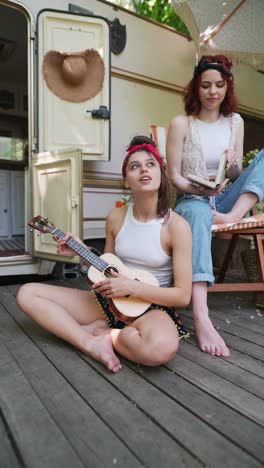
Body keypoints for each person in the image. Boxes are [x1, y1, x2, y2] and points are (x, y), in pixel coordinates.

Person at [17, 136, 192, 373]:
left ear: (161, 175)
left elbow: (182, 296)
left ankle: (102, 332)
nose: (143, 169)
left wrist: (131, 287)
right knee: (28, 293)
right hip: (107, 302)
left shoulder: (177, 226)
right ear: (127, 181)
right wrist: (81, 252)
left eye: (150, 164)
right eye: (134, 166)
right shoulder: (116, 217)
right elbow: (106, 269)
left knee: (160, 349)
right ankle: (91, 342)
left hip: (151, 306)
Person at [166, 54, 264, 358]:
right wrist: (195, 187)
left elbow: (234, 176)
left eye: (219, 85)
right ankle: (202, 315)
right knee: (197, 210)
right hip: (191, 199)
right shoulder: (182, 123)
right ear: (196, 88)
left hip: (223, 200)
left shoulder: (235, 122)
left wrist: (234, 166)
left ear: (227, 86)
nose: (212, 92)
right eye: (206, 85)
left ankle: (231, 216)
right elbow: (173, 177)